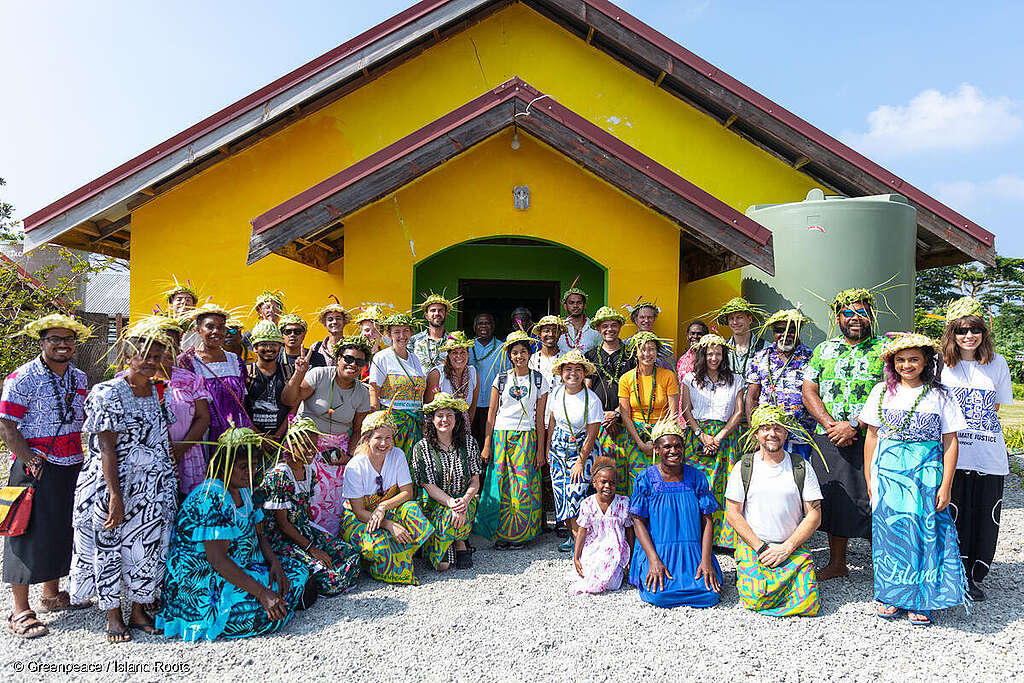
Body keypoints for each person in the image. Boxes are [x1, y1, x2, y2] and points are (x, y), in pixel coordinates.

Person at [70, 327, 178, 642]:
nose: (150, 363)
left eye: (156, 357)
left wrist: (168, 475)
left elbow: (163, 436)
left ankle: (140, 610)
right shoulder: (107, 392)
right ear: (128, 356)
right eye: (143, 356)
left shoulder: (160, 391)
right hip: (112, 484)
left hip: (153, 486)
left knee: (147, 546)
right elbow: (105, 448)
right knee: (110, 545)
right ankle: (113, 614)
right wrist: (115, 496)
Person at [156, 427, 311, 641]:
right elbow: (217, 560)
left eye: (254, 466)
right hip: (204, 580)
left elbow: (259, 533)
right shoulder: (211, 497)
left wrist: (274, 563)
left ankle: (280, 598)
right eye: (242, 467)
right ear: (224, 464)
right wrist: (262, 593)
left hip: (239, 565)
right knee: (257, 612)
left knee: (296, 570)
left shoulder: (245, 489)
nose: (250, 472)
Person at [860, 333, 968, 625]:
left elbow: (951, 441)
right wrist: (871, 478)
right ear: (892, 363)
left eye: (913, 359)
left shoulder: (940, 395)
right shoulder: (881, 392)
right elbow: (871, 436)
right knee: (890, 533)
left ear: (925, 362)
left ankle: (922, 598)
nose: (906, 365)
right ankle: (890, 595)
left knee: (924, 534)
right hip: (888, 475)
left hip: (926, 475)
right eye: (900, 360)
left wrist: (946, 485)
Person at [1, 314, 91, 639]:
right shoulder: (22, 377)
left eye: (68, 339)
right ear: (42, 342)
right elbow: (6, 426)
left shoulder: (79, 378)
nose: (62, 344)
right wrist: (29, 458)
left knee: (62, 528)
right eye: (55, 339)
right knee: (23, 530)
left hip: (71, 462)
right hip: (33, 464)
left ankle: (51, 595)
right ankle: (20, 610)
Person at [802, 287, 887, 580]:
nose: (854, 318)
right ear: (837, 318)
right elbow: (809, 389)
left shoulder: (886, 351)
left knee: (876, 496)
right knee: (835, 498)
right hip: (830, 437)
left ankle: (885, 566)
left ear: (870, 316)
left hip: (872, 436)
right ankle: (838, 563)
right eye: (847, 313)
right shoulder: (824, 350)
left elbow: (891, 393)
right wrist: (829, 424)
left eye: (861, 312)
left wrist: (855, 424)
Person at [939, 297, 1013, 601]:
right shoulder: (940, 365)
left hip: (987, 455)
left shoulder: (997, 364)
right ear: (952, 333)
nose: (968, 335)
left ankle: (973, 576)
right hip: (951, 455)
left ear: (983, 331)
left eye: (975, 329)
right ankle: (949, 574)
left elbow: (994, 407)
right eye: (961, 330)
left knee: (983, 516)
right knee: (952, 515)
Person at [725, 406, 823, 617]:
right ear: (756, 433)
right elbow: (733, 513)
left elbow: (814, 514)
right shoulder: (744, 467)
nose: (772, 434)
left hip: (791, 547)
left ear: (786, 432)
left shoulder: (801, 466)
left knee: (808, 602)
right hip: (755, 547)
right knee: (755, 598)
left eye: (778, 428)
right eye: (766, 428)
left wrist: (787, 548)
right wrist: (761, 548)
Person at [259, 417, 360, 597]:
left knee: (350, 553)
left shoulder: (308, 471)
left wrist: (318, 536)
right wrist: (312, 548)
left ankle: (325, 581)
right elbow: (282, 524)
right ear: (290, 445)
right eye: (303, 444)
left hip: (302, 531)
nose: (310, 450)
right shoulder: (281, 475)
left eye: (313, 445)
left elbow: (305, 511)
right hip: (282, 538)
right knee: (328, 575)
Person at [629, 418, 721, 608]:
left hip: (693, 549)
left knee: (708, 595)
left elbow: (708, 521)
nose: (673, 451)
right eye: (667, 446)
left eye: (678, 446)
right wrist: (653, 560)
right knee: (659, 595)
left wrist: (705, 561)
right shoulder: (645, 478)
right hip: (658, 549)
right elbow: (637, 522)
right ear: (656, 449)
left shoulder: (697, 477)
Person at [284, 337, 372, 535]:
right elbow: (290, 400)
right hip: (305, 446)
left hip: (337, 451)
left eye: (359, 362)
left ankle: (329, 541)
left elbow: (358, 430)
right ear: (338, 358)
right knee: (306, 494)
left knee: (334, 500)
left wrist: (348, 458)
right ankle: (302, 541)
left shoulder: (362, 393)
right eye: (348, 358)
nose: (353, 365)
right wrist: (299, 373)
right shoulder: (319, 374)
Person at [340, 412, 433, 585]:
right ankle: (376, 560)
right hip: (360, 519)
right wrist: (388, 525)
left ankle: (399, 552)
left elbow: (407, 493)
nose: (384, 443)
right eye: (378, 438)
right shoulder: (355, 466)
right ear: (367, 439)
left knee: (413, 511)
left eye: (388, 438)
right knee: (379, 546)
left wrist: (383, 507)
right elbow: (359, 512)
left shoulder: (397, 454)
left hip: (387, 511)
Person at [477, 330, 550, 548]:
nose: (519, 356)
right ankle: (500, 534)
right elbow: (491, 415)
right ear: (510, 355)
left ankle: (520, 535)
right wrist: (487, 443)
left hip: (526, 438)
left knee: (523, 486)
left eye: (523, 352)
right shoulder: (500, 379)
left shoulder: (539, 380)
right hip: (501, 436)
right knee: (500, 485)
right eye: (515, 352)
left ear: (530, 354)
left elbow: (539, 418)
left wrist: (539, 450)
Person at [679, 334, 745, 549]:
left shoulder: (736, 379)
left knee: (725, 484)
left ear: (723, 355)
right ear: (702, 355)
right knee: (698, 483)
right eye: (709, 354)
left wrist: (719, 436)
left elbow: (738, 412)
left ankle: (722, 538)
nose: (714, 358)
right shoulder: (689, 379)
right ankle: (695, 533)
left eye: (718, 353)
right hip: (698, 435)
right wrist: (701, 435)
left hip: (725, 437)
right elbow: (686, 410)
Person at [410, 393, 482, 571]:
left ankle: (459, 543)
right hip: (435, 504)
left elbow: (475, 482)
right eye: (440, 415)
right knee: (442, 565)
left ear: (456, 419)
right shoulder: (422, 447)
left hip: (464, 501)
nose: (445, 420)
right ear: (432, 420)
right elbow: (428, 486)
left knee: (457, 514)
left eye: (449, 415)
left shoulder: (469, 443)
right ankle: (450, 540)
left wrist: (463, 501)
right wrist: (451, 503)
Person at [141, 315, 211, 497]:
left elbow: (203, 417)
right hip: (144, 458)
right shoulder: (132, 380)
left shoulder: (190, 379)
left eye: (175, 344)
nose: (171, 350)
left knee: (186, 509)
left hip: (186, 456)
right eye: (165, 345)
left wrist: (180, 448)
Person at [546, 350, 604, 552]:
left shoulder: (592, 399)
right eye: (568, 369)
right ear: (561, 373)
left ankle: (583, 541)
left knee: (577, 493)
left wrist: (580, 460)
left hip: (582, 451)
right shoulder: (556, 393)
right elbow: (552, 421)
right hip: (558, 450)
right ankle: (573, 537)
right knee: (561, 494)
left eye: (578, 369)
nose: (573, 374)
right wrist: (547, 449)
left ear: (584, 373)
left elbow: (593, 433)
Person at [178, 304, 251, 447]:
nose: (216, 331)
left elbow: (243, 400)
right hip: (205, 436)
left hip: (237, 435)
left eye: (221, 327)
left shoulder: (235, 361)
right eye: (210, 327)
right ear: (198, 330)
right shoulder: (189, 362)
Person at [745, 309, 815, 456]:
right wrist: (754, 431)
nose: (785, 334)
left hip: (800, 437)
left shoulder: (811, 357)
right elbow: (752, 397)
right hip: (768, 436)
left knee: (798, 477)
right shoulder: (760, 357)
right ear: (773, 333)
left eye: (791, 330)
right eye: (779, 330)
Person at [617, 332, 679, 496]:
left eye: (651, 349)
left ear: (657, 352)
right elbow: (625, 415)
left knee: (662, 482)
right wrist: (641, 444)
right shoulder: (626, 378)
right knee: (637, 482)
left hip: (663, 435)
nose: (647, 354)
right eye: (642, 350)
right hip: (634, 435)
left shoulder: (668, 376)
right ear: (635, 352)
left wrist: (659, 441)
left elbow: (673, 414)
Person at [585, 307, 632, 496]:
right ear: (598, 329)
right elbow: (586, 391)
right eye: (605, 326)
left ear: (620, 326)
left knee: (622, 471)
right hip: (598, 423)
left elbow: (634, 390)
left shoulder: (631, 355)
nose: (609, 329)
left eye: (614, 325)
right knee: (599, 471)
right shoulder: (590, 356)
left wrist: (617, 413)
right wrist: (602, 415)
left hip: (625, 422)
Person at [569, 457, 634, 594]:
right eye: (603, 482)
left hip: (615, 547)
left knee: (613, 583)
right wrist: (576, 557)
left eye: (612, 483)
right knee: (587, 571)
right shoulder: (587, 504)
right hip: (594, 546)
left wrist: (631, 556)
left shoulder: (623, 503)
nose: (608, 486)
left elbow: (629, 531)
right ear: (594, 483)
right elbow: (582, 532)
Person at [368, 312, 426, 460]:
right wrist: (377, 422)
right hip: (394, 423)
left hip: (415, 422)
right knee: (392, 462)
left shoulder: (415, 359)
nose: (402, 335)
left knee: (413, 464)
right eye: (397, 332)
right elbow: (374, 389)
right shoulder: (381, 357)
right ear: (389, 334)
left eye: (406, 331)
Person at [710, 297, 766, 407]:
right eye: (731, 318)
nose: (735, 322)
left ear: (749, 319)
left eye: (739, 317)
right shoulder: (721, 349)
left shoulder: (764, 348)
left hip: (756, 410)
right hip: (728, 413)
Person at [244, 320, 294, 443]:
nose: (269, 348)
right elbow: (241, 408)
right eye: (264, 344)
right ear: (255, 347)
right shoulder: (246, 372)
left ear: (280, 346)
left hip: (281, 440)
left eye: (273, 344)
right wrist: (259, 435)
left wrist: (279, 434)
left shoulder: (288, 371)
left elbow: (294, 407)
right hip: (252, 439)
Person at [424, 330, 479, 424]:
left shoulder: (473, 373)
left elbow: (472, 408)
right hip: (440, 429)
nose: (459, 356)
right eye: (454, 352)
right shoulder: (437, 374)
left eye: (463, 352)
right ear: (448, 355)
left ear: (468, 354)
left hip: (464, 429)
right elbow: (428, 410)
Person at [470, 312, 504, 444]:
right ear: (474, 327)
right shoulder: (467, 348)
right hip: (471, 406)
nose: (484, 326)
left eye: (487, 323)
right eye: (480, 323)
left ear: (493, 326)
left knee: (490, 446)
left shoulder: (502, 348)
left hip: (494, 407)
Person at [412, 292, 456, 374]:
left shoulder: (454, 342)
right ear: (426, 315)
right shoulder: (414, 340)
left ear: (446, 314)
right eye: (433, 310)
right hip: (420, 386)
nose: (436, 313)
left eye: (440, 310)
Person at [626, 300, 673, 370]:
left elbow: (671, 369)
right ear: (635, 320)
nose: (646, 320)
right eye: (642, 317)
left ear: (654, 319)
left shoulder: (664, 346)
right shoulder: (626, 344)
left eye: (650, 317)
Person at [558, 285, 601, 354]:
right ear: (565, 306)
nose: (575, 306)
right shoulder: (558, 327)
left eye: (579, 303)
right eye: (571, 303)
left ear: (585, 305)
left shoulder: (595, 328)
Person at [309, 301, 349, 369]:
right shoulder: (316, 347)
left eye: (338, 318)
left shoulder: (351, 346)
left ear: (344, 322)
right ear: (325, 324)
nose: (334, 322)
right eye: (330, 319)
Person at [530, 314, 567, 388]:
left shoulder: (566, 359)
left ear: (560, 334)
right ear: (540, 334)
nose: (551, 334)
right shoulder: (532, 360)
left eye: (555, 331)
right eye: (546, 331)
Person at [164, 278, 201, 349]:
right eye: (179, 299)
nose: (184, 302)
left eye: (188, 300)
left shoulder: (200, 327)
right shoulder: (164, 325)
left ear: (194, 306)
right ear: (171, 305)